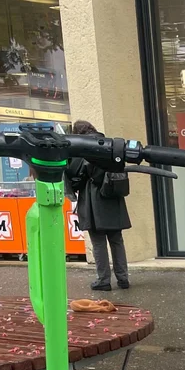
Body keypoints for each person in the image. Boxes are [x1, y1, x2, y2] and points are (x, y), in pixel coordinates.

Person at [66, 120, 130, 291]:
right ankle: (123, 279)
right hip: (113, 196)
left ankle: (103, 280)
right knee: (117, 240)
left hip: (93, 198)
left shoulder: (82, 147)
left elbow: (74, 173)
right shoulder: (108, 144)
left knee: (99, 242)